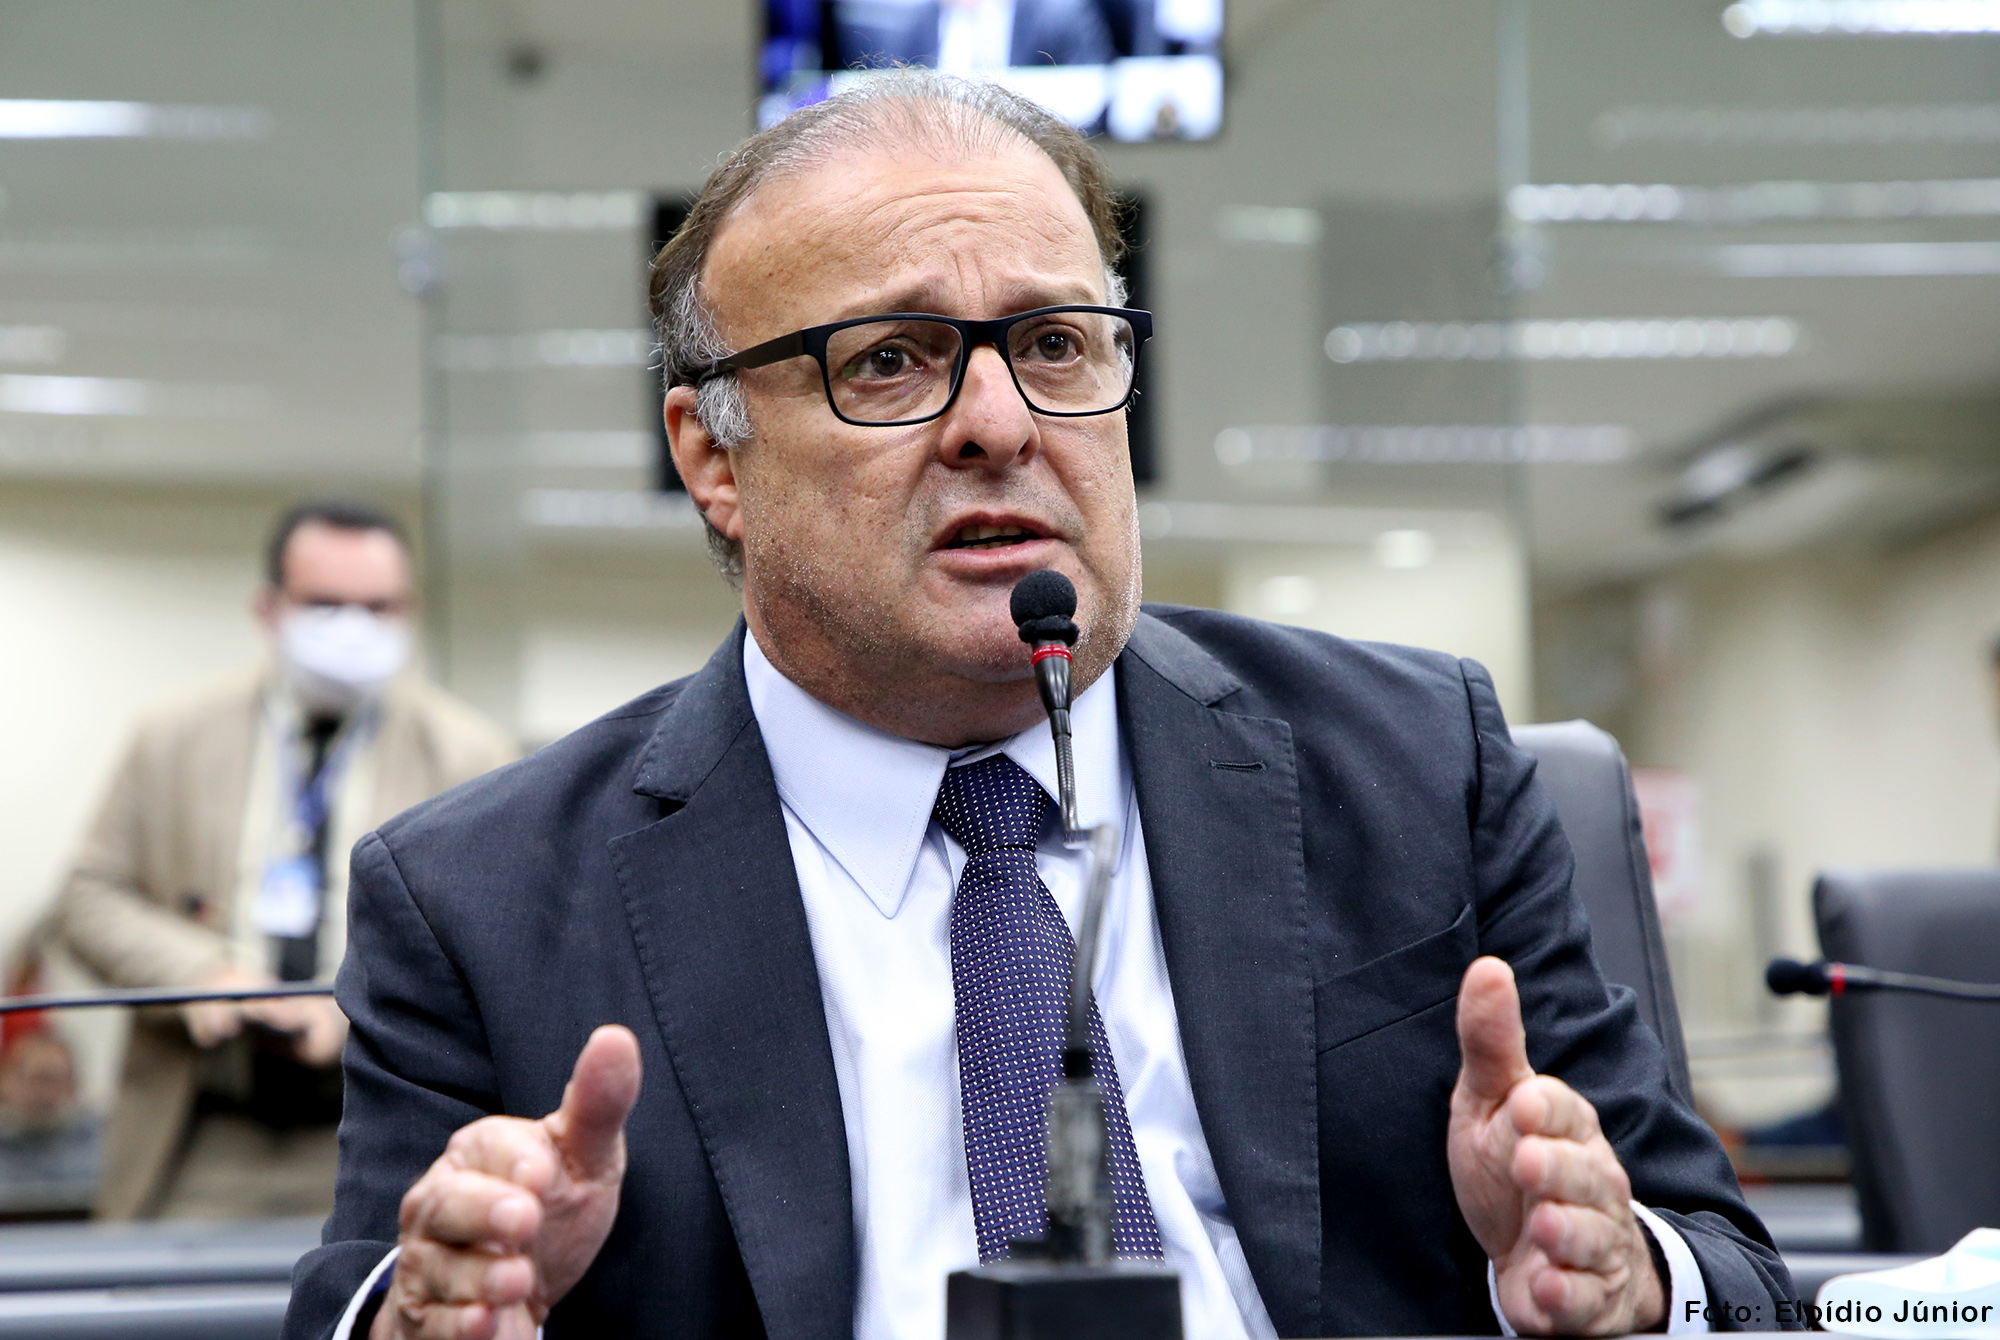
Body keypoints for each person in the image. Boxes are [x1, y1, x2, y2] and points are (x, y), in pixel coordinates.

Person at [286, 77, 1796, 1340]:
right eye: (891, 362)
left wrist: (1627, 1277)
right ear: (712, 457)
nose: (1000, 424)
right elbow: (375, 1298)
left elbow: (1732, 1270)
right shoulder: (477, 898)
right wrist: (435, 1320)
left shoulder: (1415, 764)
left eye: (1056, 343)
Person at [45, 501, 515, 1221]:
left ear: (410, 613)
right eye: (324, 605)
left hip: (386, 1129)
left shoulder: (468, 755)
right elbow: (87, 897)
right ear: (268, 609)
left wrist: (357, 1009)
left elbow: (500, 947)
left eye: (377, 608)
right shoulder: (174, 737)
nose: (352, 628)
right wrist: (202, 973)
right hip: (202, 1129)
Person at [0, 1029, 100, 1214]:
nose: (45, 1094)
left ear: (73, 1087)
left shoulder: (103, 1144)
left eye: (55, 1080)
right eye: (38, 1079)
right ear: (7, 1082)